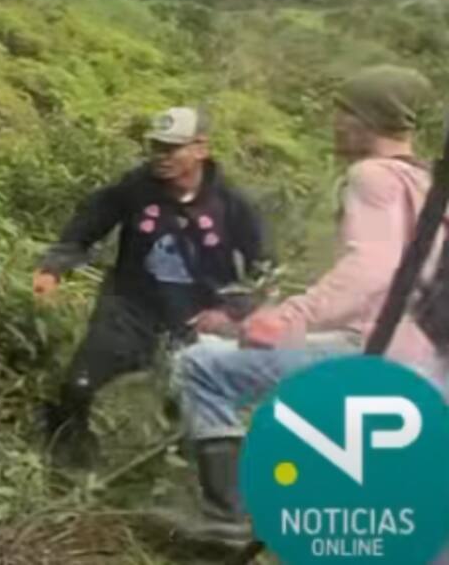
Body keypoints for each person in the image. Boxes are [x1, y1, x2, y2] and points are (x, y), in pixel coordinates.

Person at [173, 66, 438, 543]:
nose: (334, 121)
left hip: (378, 355)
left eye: (343, 111)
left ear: (366, 118)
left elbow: (373, 267)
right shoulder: (430, 185)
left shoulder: (370, 175)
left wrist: (288, 317)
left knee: (202, 366)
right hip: (431, 366)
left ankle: (226, 519)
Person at [34, 106, 272, 466]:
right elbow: (88, 222)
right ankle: (69, 466)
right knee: (78, 385)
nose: (161, 157)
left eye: (172, 148)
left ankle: (170, 480)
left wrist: (230, 311)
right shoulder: (136, 187)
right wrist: (53, 268)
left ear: (200, 148)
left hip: (196, 320)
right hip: (129, 308)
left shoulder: (232, 204)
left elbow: (265, 269)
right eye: (156, 147)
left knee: (186, 411)